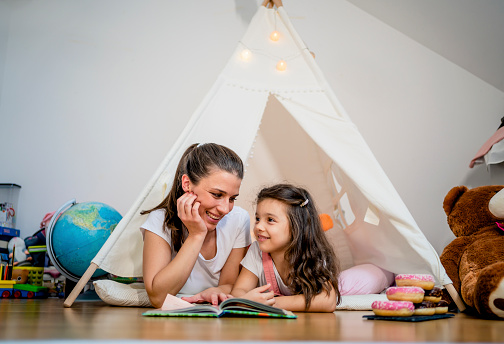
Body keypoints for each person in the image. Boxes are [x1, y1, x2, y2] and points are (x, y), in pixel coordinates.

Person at [140, 143, 251, 308]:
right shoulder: (159, 221)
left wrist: (216, 290)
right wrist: (196, 235)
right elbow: (158, 298)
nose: (225, 208)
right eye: (217, 194)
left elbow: (230, 284)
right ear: (187, 184)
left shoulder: (239, 220)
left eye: (232, 198)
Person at [231, 183, 341, 312]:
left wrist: (266, 303)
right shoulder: (257, 250)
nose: (258, 226)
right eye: (257, 218)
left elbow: (327, 301)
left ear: (296, 227)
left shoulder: (313, 252)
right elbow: (238, 292)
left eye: (270, 220)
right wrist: (245, 300)